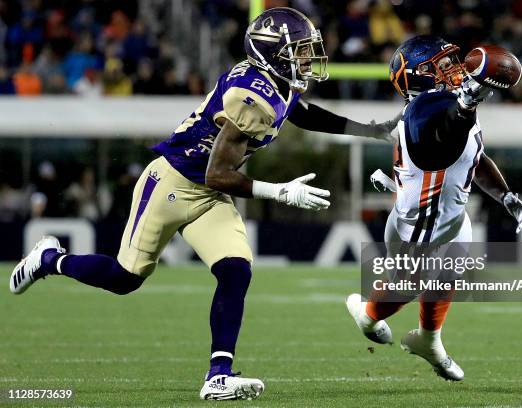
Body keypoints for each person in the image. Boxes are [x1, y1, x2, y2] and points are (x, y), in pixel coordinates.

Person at [9, 7, 396, 401]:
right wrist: (279, 191)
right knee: (125, 278)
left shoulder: (274, 84)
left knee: (236, 270)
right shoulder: (251, 97)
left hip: (209, 195)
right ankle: (50, 260)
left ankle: (218, 375)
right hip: (172, 184)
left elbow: (303, 114)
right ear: (272, 53)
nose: (306, 60)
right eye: (298, 51)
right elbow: (217, 174)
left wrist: (369, 130)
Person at [346, 35, 522, 381]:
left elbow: (472, 154)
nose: (456, 68)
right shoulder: (420, 109)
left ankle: (429, 340)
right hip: (419, 222)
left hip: (450, 214)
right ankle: (366, 313)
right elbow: (438, 146)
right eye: (443, 64)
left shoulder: (450, 103)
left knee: (447, 278)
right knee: (411, 286)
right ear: (419, 75)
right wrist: (464, 106)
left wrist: (504, 195)